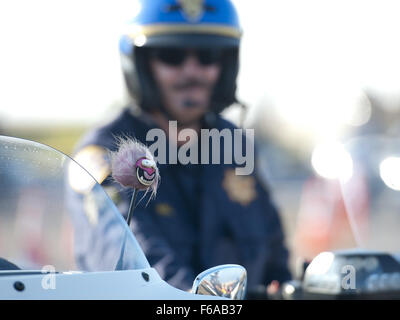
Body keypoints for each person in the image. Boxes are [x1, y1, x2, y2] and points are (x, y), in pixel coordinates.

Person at [72, 0, 291, 297]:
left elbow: (276, 258)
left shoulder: (235, 145)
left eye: (208, 56)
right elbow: (131, 258)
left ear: (225, 65)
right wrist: (194, 298)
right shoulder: (107, 155)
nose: (192, 71)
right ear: (142, 66)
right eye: (171, 56)